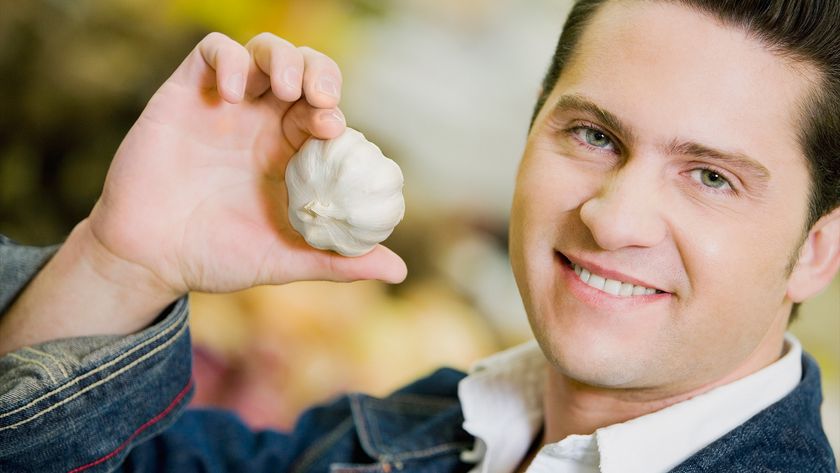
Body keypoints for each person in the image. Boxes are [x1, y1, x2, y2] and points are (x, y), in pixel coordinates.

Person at [1, 0, 838, 471]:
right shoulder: (423, 430)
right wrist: (121, 260)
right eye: (592, 135)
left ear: (817, 249)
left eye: (712, 178)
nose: (613, 217)